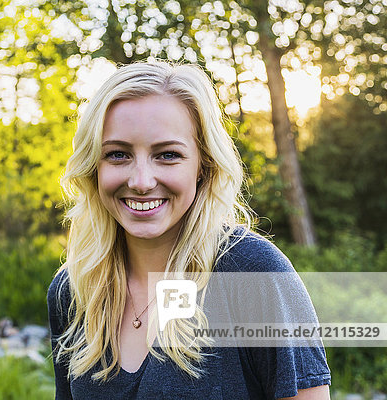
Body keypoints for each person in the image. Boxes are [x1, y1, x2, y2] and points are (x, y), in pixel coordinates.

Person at [47, 61, 331, 399]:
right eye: (118, 154)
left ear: (203, 166)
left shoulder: (254, 273)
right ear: (94, 166)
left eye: (167, 155)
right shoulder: (74, 288)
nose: (140, 181)